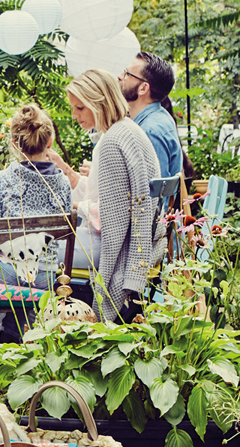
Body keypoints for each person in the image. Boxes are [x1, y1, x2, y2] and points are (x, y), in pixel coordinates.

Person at [62, 69, 164, 323]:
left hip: (111, 245)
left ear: (99, 101)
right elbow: (108, 197)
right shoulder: (125, 131)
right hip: (139, 240)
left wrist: (70, 206)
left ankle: (26, 330)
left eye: (80, 108)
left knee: (34, 250)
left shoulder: (111, 142)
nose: (75, 115)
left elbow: (110, 217)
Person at [0, 104, 73, 343]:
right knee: (27, 285)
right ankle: (13, 332)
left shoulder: (2, 179)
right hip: (46, 276)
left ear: (13, 144)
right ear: (49, 143)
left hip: (4, 270)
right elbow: (62, 234)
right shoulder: (62, 183)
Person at [118, 52, 183, 179]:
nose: (120, 77)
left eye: (127, 74)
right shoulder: (159, 116)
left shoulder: (149, 131)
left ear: (143, 88)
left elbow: (153, 194)